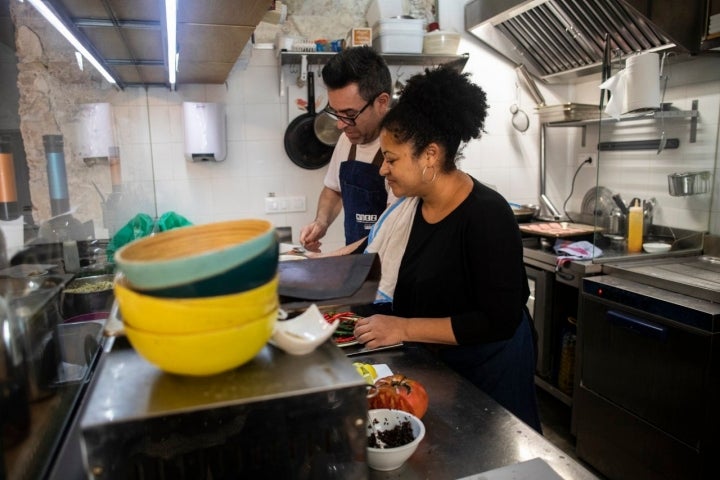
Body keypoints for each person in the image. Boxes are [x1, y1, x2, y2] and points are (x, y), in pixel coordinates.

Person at [352, 66, 542, 432]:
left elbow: (496, 320)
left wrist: (403, 327)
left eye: (391, 159)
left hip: (491, 369)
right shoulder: (414, 207)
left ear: (430, 156)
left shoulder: (487, 215)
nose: (383, 170)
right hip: (441, 368)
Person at [299, 46, 397, 252]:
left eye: (349, 114)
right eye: (336, 113)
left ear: (381, 102)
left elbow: (389, 230)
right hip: (357, 262)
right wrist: (321, 223)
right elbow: (333, 189)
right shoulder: (347, 140)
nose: (340, 125)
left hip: (390, 268)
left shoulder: (402, 149)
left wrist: (334, 260)